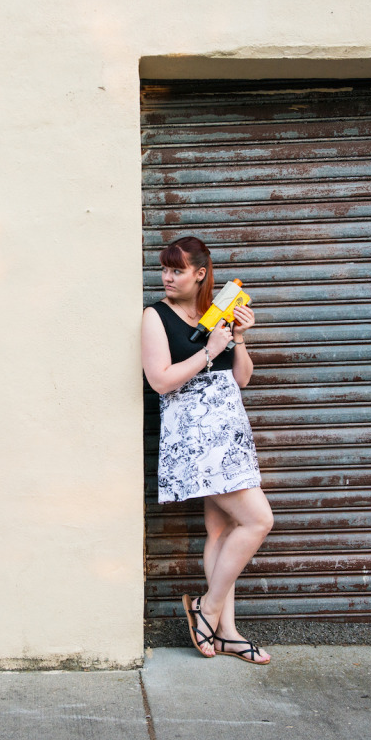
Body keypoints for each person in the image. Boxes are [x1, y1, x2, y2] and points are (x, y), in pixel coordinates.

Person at [140, 235, 274, 665]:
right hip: (196, 436)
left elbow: (242, 379)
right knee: (258, 520)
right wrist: (208, 351)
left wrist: (239, 339)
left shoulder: (214, 315)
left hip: (229, 429)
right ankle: (207, 608)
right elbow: (160, 380)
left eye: (176, 270)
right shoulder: (155, 316)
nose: (167, 277)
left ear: (200, 274)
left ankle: (226, 633)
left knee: (221, 531)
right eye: (165, 269)